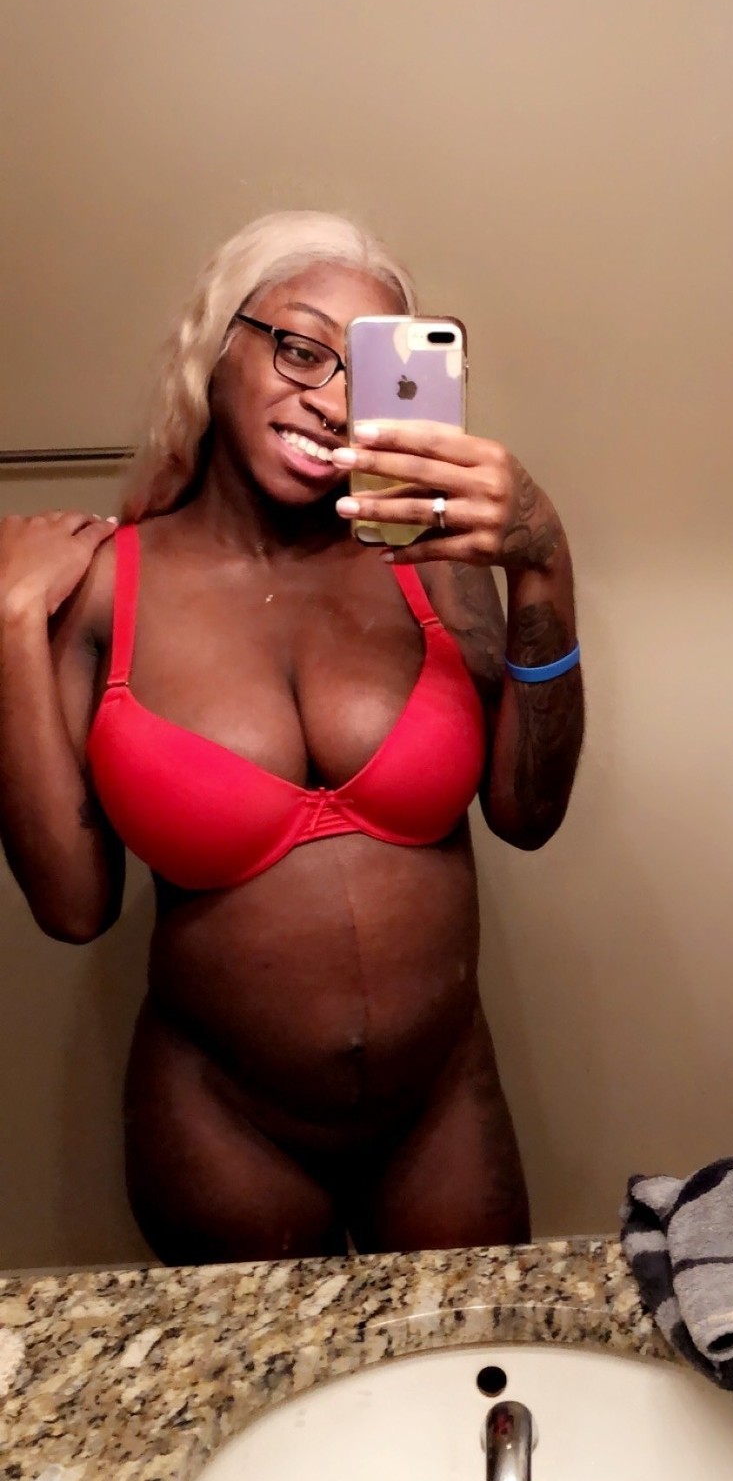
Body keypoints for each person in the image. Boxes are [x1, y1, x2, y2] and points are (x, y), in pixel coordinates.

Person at [0, 211, 583, 1262]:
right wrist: (6, 623)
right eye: (302, 350)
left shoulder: (434, 562)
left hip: (441, 1113)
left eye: (370, 370)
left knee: (475, 1362)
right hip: (219, 1127)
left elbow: (528, 814)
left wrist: (543, 562)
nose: (335, 401)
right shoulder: (104, 589)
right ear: (216, 346)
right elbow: (73, 908)